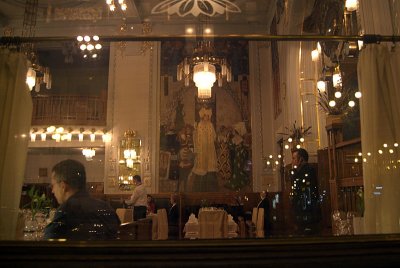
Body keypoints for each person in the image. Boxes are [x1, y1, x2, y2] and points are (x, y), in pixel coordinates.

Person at [44, 159, 120, 240]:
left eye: (53, 185)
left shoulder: (67, 210)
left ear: (63, 186)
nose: (52, 191)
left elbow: (49, 239)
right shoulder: (106, 207)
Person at [290, 148, 321, 235]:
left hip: (307, 211)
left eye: (294, 158)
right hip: (301, 210)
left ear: (301, 159)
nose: (292, 161)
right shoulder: (299, 171)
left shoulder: (308, 170)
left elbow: (303, 190)